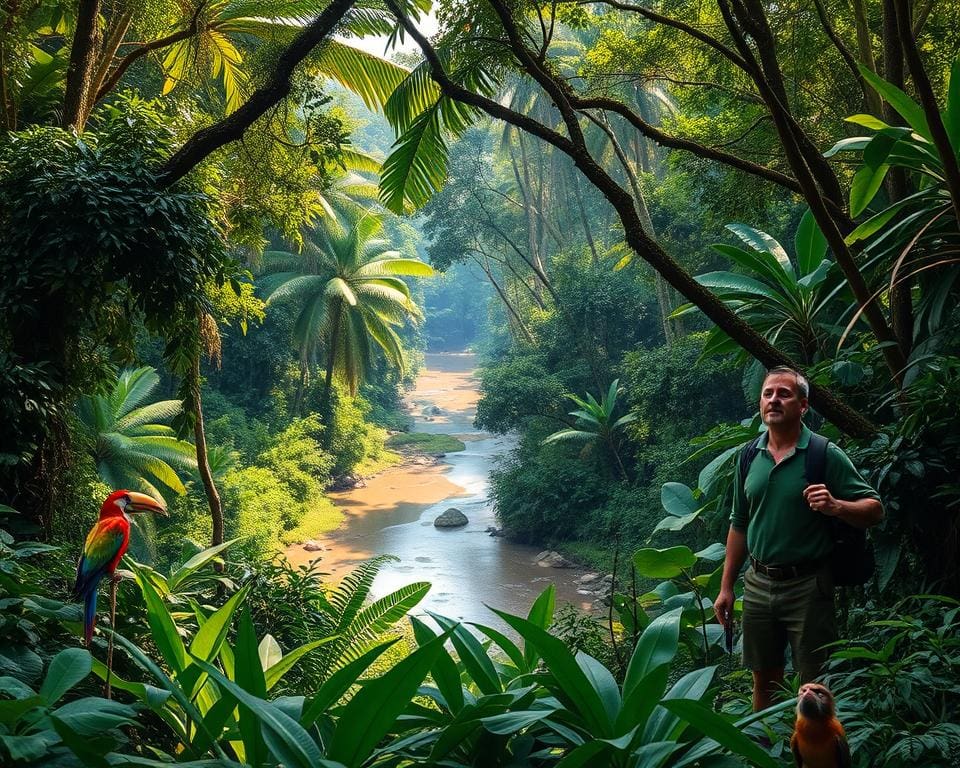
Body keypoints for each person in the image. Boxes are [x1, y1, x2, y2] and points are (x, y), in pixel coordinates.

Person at [713, 366, 883, 711]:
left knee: (815, 684)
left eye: (784, 394)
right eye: (768, 394)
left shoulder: (823, 453)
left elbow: (875, 509)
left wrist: (837, 506)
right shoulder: (748, 457)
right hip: (758, 583)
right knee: (763, 680)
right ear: (760, 403)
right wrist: (726, 586)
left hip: (808, 584)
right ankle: (765, 752)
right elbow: (740, 523)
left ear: (803, 405)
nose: (774, 400)